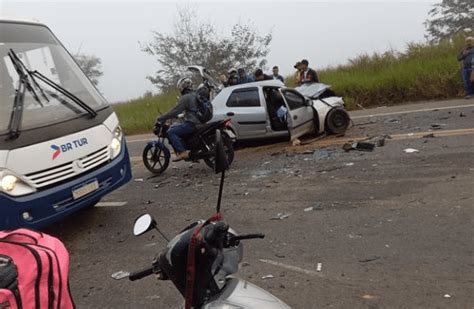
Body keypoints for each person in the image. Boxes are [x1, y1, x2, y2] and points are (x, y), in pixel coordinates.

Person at [155, 77, 201, 161]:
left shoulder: (185, 97)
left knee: (171, 131)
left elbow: (175, 110)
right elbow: (192, 110)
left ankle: (183, 152)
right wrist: (182, 115)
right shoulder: (195, 94)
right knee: (179, 126)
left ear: (183, 87)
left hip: (192, 123)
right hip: (200, 121)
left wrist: (162, 117)